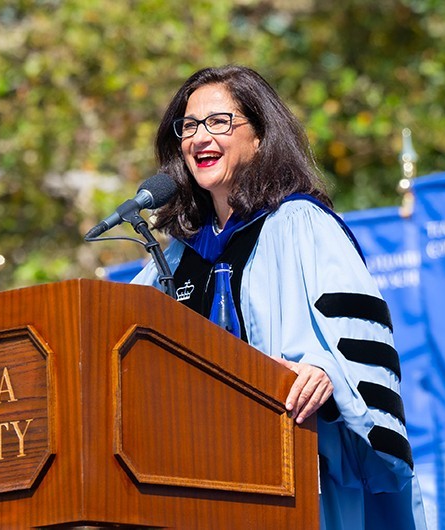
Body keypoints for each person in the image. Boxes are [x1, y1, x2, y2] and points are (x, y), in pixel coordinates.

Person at [131, 65, 428, 529]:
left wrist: (326, 371)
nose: (199, 138)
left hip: (291, 467)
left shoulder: (300, 225)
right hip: (190, 477)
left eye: (219, 122)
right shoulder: (173, 259)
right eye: (188, 126)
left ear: (262, 138)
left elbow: (357, 339)